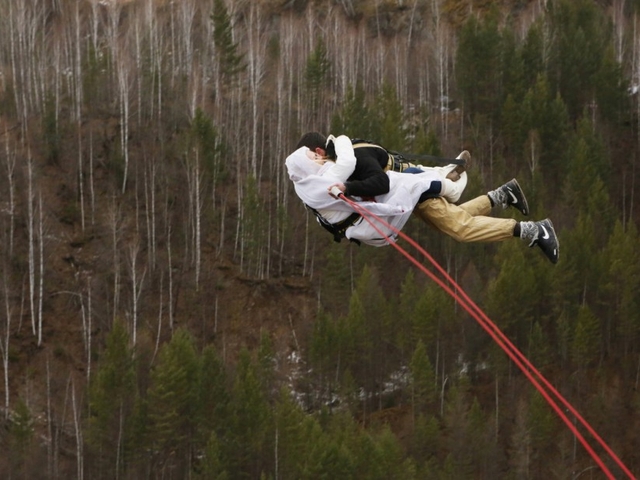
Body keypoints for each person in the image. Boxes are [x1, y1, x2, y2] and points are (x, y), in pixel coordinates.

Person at [286, 132, 559, 264]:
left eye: (311, 157)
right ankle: (503, 194)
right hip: (408, 193)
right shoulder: (336, 165)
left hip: (413, 190)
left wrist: (348, 187)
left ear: (320, 150)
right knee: (456, 219)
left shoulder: (353, 159)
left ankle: (534, 230)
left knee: (460, 229)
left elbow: (380, 182)